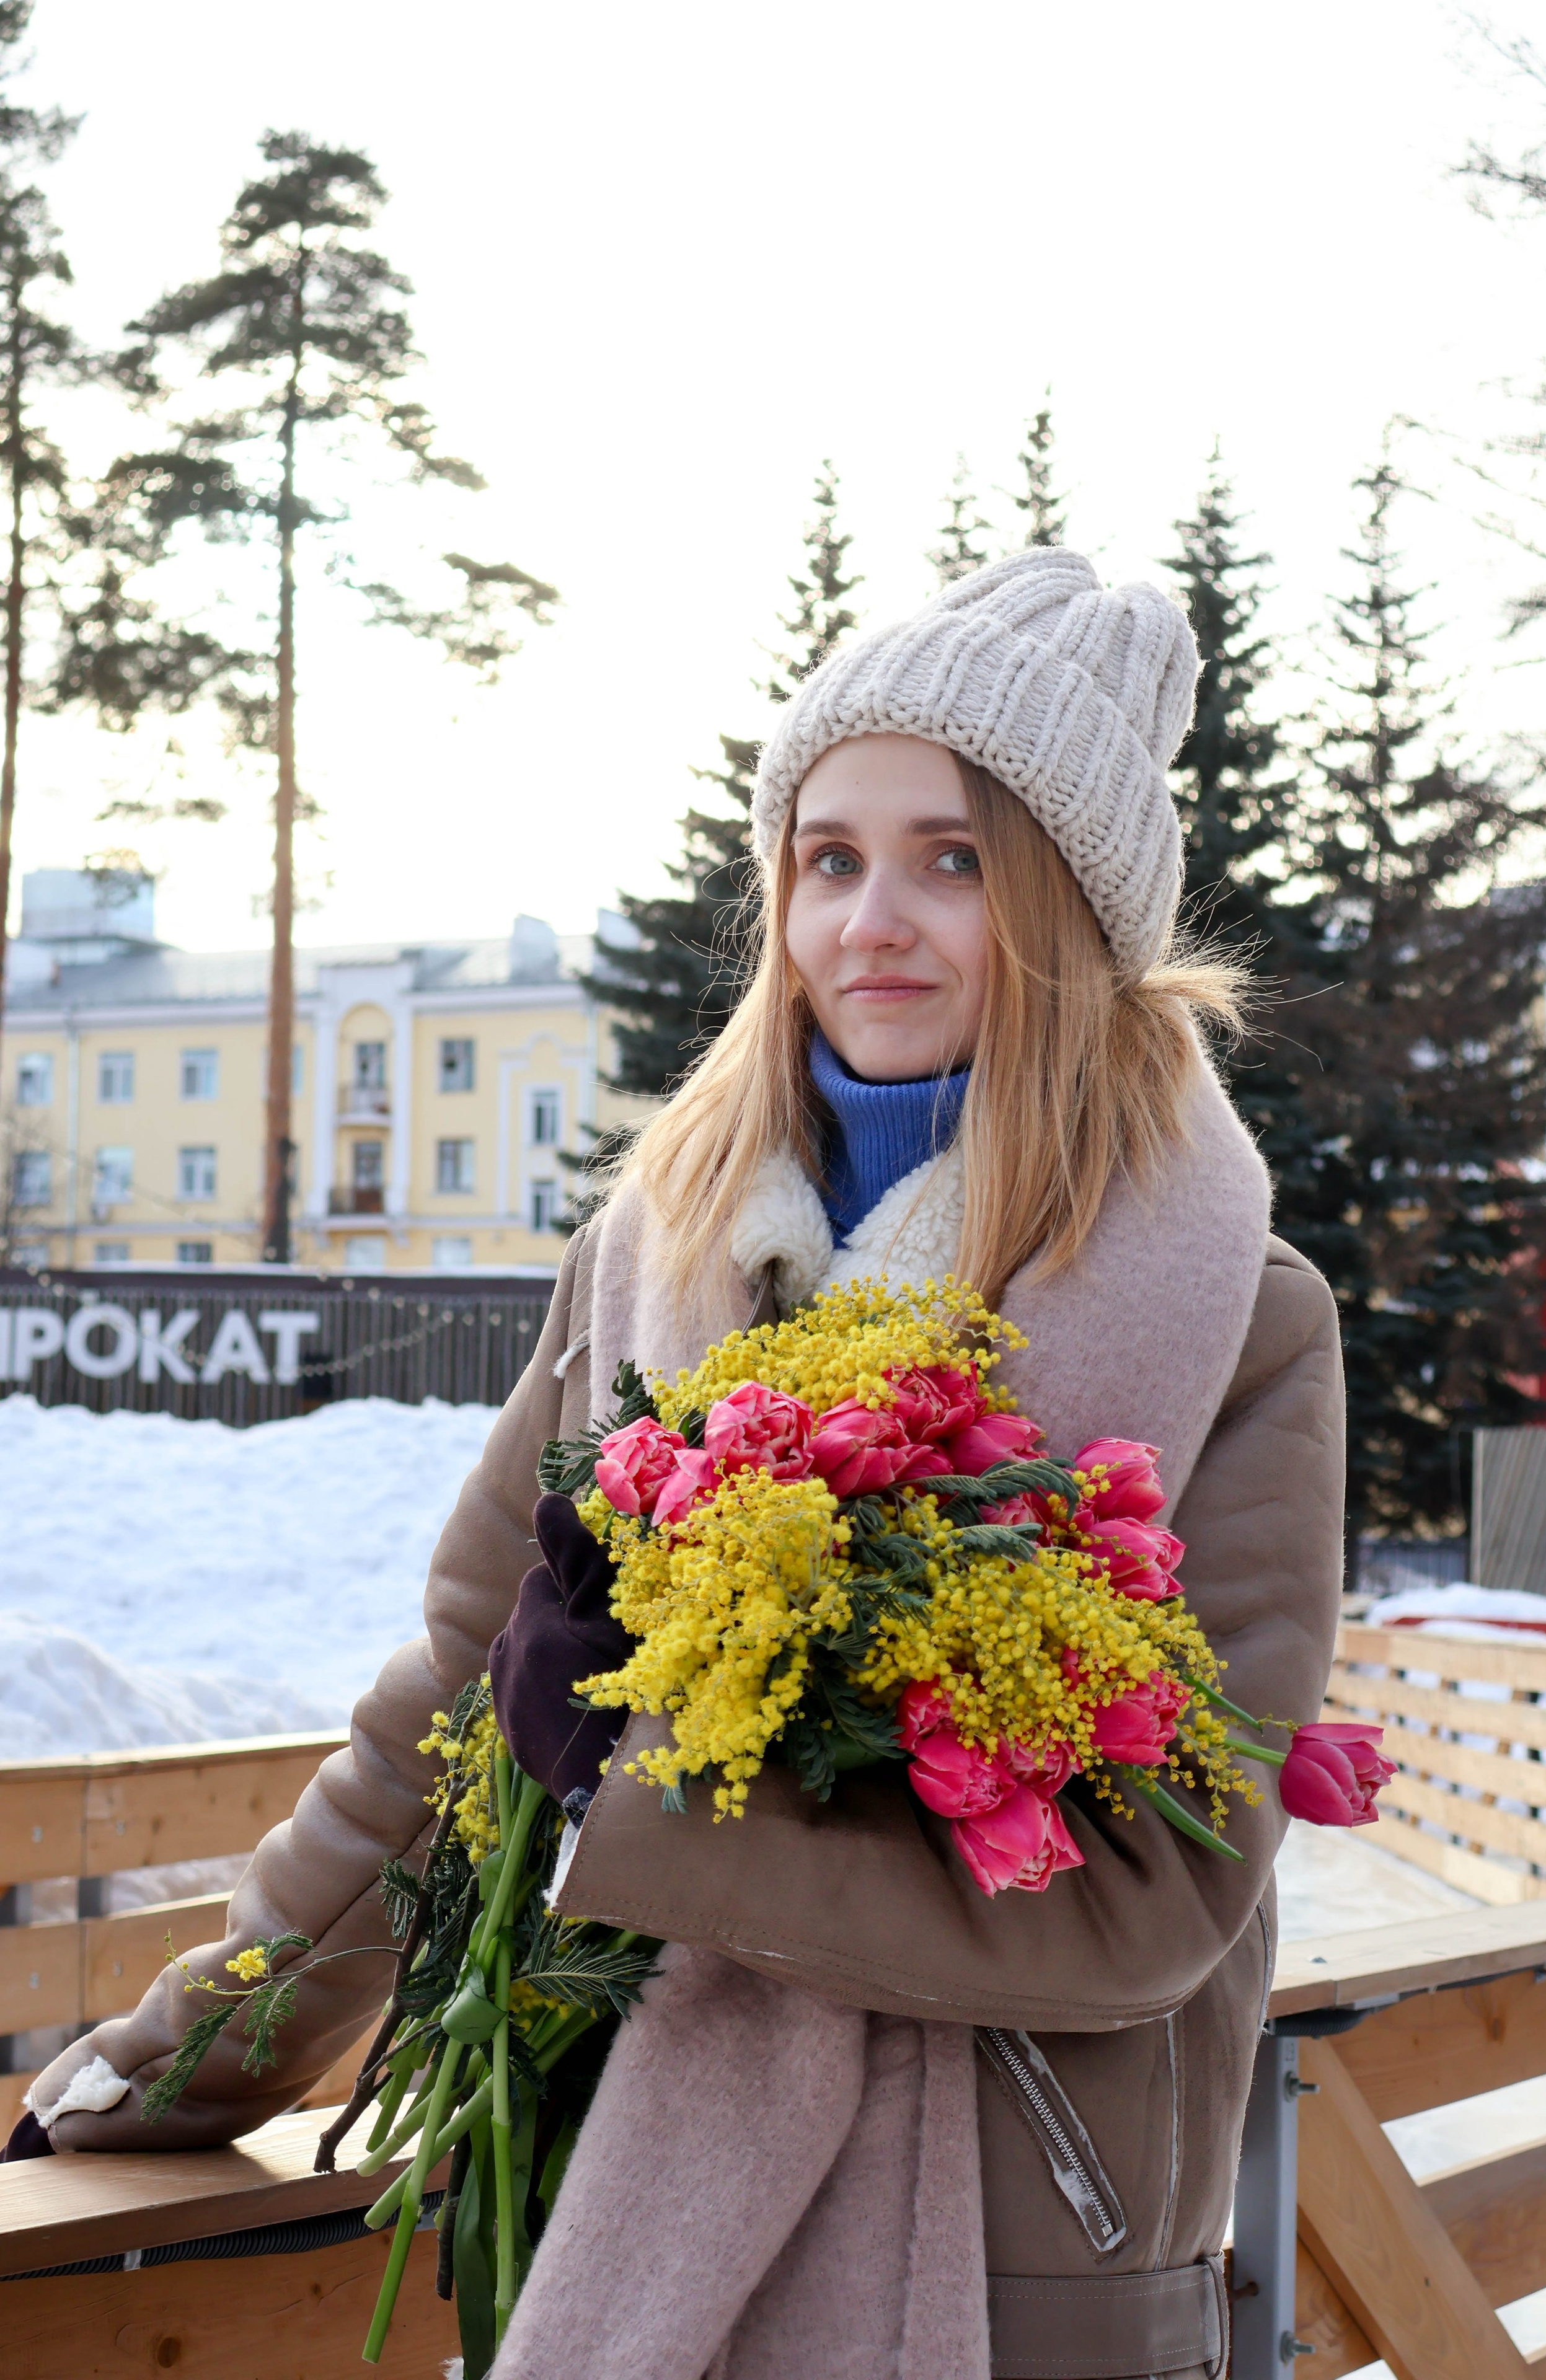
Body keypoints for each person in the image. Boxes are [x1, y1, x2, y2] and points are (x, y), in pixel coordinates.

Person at [22, 549, 1345, 2380]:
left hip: (1012, 2262)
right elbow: (451, 1716)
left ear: (1070, 909)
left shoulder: (1233, 1319)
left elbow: (1159, 1895)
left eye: (955, 861)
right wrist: (190, 2057)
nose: (873, 922)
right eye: (830, 858)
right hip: (625, 2215)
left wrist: (639, 1811)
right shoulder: (655, 1253)